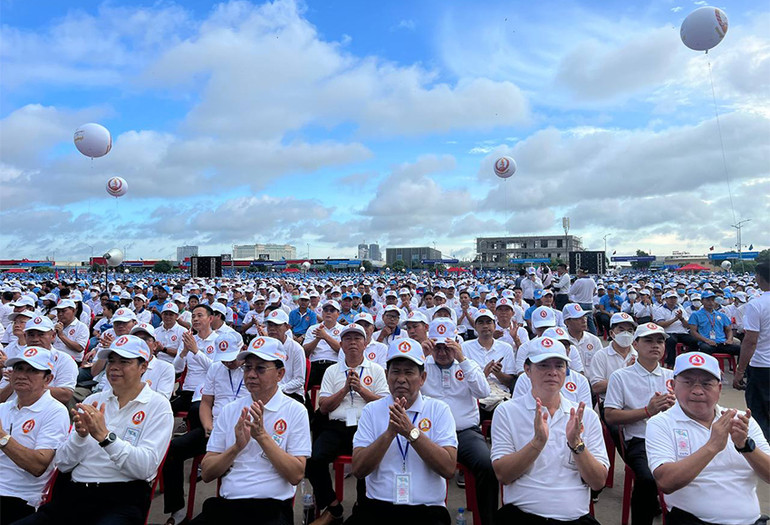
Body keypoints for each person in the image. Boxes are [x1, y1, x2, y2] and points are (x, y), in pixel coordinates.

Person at [16, 334, 173, 525]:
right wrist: (80, 438)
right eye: (111, 361)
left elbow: (145, 468)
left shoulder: (157, 405)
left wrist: (105, 437)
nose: (114, 367)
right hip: (75, 493)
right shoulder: (93, 400)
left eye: (124, 361)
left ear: (143, 366)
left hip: (123, 497)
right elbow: (64, 463)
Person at [190, 336, 311, 525]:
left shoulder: (295, 411)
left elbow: (296, 474)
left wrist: (262, 437)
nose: (251, 374)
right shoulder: (231, 410)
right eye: (247, 367)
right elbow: (207, 473)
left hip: (271, 507)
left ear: (280, 374)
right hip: (229, 504)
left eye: (260, 368)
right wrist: (237, 447)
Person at [491, 336, 609, 523]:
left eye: (559, 366)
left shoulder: (584, 415)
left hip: (574, 517)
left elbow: (598, 482)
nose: (553, 372)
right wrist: (537, 443)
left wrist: (576, 444)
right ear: (527, 370)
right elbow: (503, 475)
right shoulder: (507, 411)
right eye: (544, 365)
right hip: (523, 515)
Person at [646, 352, 770, 525]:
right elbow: (665, 482)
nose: (697, 391)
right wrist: (712, 446)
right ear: (673, 386)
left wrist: (745, 446)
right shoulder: (661, 423)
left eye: (706, 384)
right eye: (688, 382)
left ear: (718, 389)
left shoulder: (741, 419)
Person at [350, 337, 457, 525]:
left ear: (422, 378)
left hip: (427, 509)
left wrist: (411, 432)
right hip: (378, 506)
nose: (401, 379)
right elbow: (358, 469)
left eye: (409, 372)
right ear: (386, 375)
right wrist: (389, 433)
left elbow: (448, 468)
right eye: (396, 372)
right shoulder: (372, 410)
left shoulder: (439, 410)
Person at [162, 331, 248, 525]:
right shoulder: (216, 368)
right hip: (215, 429)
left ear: (242, 350)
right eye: (224, 359)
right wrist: (208, 426)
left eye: (232, 359)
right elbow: (206, 402)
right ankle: (178, 510)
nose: (228, 363)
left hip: (243, 431)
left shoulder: (252, 370)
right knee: (173, 450)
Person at [307, 323, 388, 525]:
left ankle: (363, 508)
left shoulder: (376, 370)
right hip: (337, 426)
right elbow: (324, 407)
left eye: (357, 339)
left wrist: (360, 389)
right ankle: (333, 506)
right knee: (314, 460)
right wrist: (344, 390)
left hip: (365, 426)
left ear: (365, 343)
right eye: (348, 339)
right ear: (341, 344)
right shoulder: (333, 371)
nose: (353, 343)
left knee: (367, 463)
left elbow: (385, 403)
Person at [421, 320, 497, 525]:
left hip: (464, 432)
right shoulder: (422, 364)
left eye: (448, 347)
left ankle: (487, 520)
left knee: (486, 465)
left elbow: (484, 392)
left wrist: (462, 358)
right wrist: (420, 356)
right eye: (438, 347)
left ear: (456, 344)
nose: (443, 352)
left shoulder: (467, 364)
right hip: (429, 433)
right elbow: (402, 391)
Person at [604, 323, 675, 525]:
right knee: (648, 478)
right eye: (648, 340)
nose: (655, 346)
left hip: (673, 438)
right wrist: (647, 411)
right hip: (640, 440)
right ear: (636, 344)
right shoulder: (621, 376)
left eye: (660, 341)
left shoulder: (672, 377)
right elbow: (610, 416)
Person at [0, 347, 69, 525]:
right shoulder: (3, 408)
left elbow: (37, 466)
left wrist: (2, 437)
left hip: (19, 498)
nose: (22, 375)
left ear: (48, 379)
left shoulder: (55, 411)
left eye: (32, 370)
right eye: (18, 369)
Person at [0, 316, 77, 406]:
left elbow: (65, 395)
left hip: (44, 411)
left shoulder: (64, 360)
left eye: (41, 334)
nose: (35, 339)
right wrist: (13, 384)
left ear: (53, 336)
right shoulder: (17, 358)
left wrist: (28, 385)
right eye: (31, 335)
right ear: (25, 336)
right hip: (10, 410)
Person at [734, 261, 770, 440]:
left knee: (759, 413)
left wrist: (740, 371)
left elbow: (750, 341)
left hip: (762, 366)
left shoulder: (756, 304)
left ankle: (764, 454)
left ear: (760, 278)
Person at [462, 310, 516, 418]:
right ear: (475, 327)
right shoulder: (465, 347)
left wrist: (498, 373)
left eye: (488, 322)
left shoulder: (506, 348)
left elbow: (510, 382)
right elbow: (463, 381)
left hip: (500, 394)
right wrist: (484, 374)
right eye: (481, 323)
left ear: (495, 326)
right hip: (475, 392)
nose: (485, 326)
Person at [265, 309, 307, 404]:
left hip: (291, 393)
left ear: (287, 327)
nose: (272, 329)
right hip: (268, 392)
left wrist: (278, 388)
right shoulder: (265, 347)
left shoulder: (296, 349)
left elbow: (299, 380)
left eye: (277, 325)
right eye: (270, 325)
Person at [303, 300, 344, 394]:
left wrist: (325, 336)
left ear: (338, 314)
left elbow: (342, 350)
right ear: (322, 313)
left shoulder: (343, 329)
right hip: (315, 365)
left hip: (335, 365)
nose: (328, 312)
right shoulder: (313, 328)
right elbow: (305, 352)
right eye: (326, 310)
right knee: (302, 391)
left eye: (332, 310)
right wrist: (317, 339)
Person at [687, 291, 741, 356]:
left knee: (740, 349)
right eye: (708, 300)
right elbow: (693, 332)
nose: (711, 302)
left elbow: (728, 330)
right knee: (705, 349)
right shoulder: (696, 315)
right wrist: (706, 340)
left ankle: (739, 366)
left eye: (713, 300)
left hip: (721, 342)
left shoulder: (722, 315)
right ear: (702, 301)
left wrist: (729, 339)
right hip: (706, 342)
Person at [655, 291, 699, 368]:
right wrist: (675, 319)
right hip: (668, 332)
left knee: (694, 341)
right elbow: (661, 324)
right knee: (671, 341)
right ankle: (671, 363)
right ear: (666, 299)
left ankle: (689, 361)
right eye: (671, 298)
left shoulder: (681, 309)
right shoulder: (660, 310)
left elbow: (687, 325)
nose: (673, 300)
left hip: (681, 332)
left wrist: (681, 318)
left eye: (674, 298)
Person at [563, 303, 603, 380]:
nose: (584, 320)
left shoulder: (594, 340)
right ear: (567, 322)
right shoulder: (563, 341)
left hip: (592, 382)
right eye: (578, 318)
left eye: (584, 317)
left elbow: (601, 364)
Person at [568, 268, 598, 335]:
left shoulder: (579, 281)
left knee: (579, 322)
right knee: (590, 321)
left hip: (580, 303)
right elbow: (595, 289)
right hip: (589, 303)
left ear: (580, 272)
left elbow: (571, 292)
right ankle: (595, 335)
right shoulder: (592, 280)